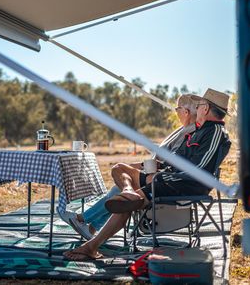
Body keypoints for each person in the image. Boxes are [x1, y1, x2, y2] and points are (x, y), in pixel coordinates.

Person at [63, 88, 231, 261]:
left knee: (128, 202)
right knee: (119, 168)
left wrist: (161, 176)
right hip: (169, 179)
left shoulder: (215, 132)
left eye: (200, 105)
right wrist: (159, 166)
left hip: (180, 185)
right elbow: (177, 161)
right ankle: (127, 192)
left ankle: (91, 246)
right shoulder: (199, 131)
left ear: (206, 108)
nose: (197, 110)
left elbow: (198, 172)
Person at [59, 94, 199, 240]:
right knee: (118, 184)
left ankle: (83, 220)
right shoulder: (186, 130)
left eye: (177, 109)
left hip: (163, 181)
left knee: (119, 183)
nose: (176, 113)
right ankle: (90, 227)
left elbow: (171, 163)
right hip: (158, 175)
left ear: (185, 112)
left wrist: (146, 167)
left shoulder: (188, 133)